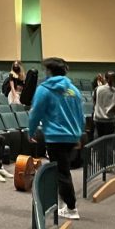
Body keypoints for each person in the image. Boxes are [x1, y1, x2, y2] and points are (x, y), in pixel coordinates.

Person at [27, 57, 86, 220]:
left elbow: (35, 113)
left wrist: (30, 132)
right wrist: (79, 134)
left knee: (62, 172)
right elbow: (81, 116)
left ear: (49, 71)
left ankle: (72, 208)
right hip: (72, 136)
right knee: (63, 170)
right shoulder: (73, 90)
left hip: (56, 136)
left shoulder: (44, 89)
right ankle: (62, 203)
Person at [93, 72, 115, 138]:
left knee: (98, 141)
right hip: (110, 121)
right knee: (108, 142)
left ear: (105, 78)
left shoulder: (98, 89)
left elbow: (94, 101)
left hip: (98, 120)